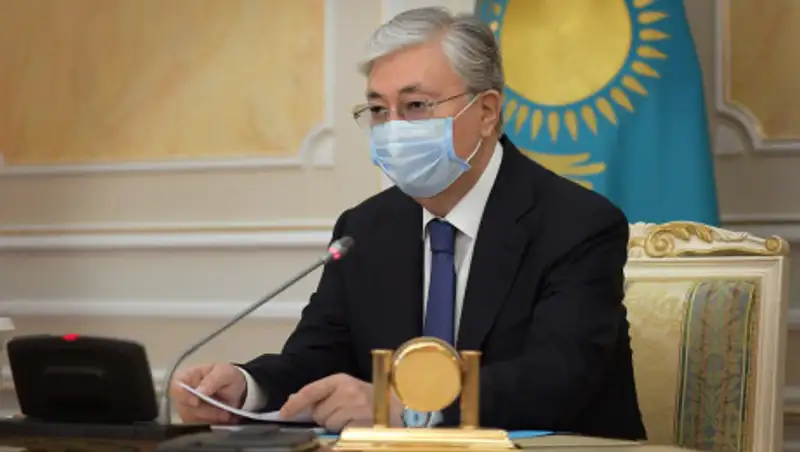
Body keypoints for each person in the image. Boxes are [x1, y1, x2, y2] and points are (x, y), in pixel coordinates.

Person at [170, 7, 646, 440]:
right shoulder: (364, 230)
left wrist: (407, 409)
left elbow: (555, 379)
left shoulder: (577, 224)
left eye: (416, 106)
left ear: (486, 112)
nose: (393, 128)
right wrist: (245, 388)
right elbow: (317, 359)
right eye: (379, 110)